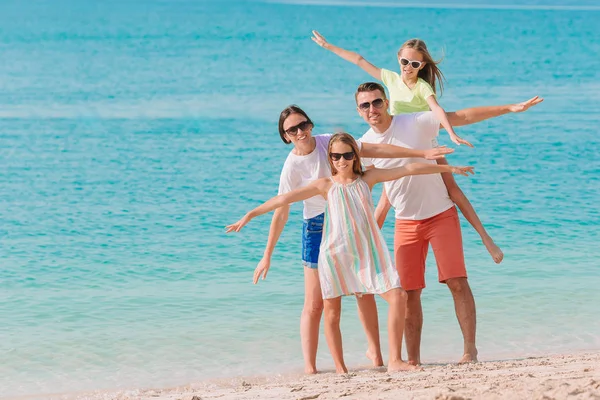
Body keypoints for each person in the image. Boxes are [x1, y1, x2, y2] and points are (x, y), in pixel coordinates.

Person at [227, 132, 474, 373]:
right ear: (330, 158)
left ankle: (395, 360)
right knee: (332, 313)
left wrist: (448, 169)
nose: (341, 161)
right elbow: (283, 200)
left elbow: (409, 169)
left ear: (355, 156)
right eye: (335, 156)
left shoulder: (369, 178)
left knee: (398, 296)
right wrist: (250, 215)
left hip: (368, 254)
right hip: (335, 256)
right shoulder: (324, 185)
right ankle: (340, 368)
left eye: (347, 155)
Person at [311, 31, 542, 263]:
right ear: (398, 59)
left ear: (421, 65)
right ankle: (366, 252)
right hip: (398, 144)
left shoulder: (422, 87)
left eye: (414, 63)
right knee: (386, 198)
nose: (408, 67)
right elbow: (360, 60)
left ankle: (486, 238)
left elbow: (454, 115)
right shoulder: (391, 80)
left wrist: (507, 109)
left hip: (425, 141)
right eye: (404, 61)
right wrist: (329, 46)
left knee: (452, 191)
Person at [353, 81, 522, 365]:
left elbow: (462, 117)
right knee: (408, 294)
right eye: (365, 105)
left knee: (457, 282)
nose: (372, 109)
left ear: (388, 102)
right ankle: (413, 361)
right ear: (358, 110)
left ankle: (470, 351)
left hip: (441, 215)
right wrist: (366, 244)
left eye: (377, 102)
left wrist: (507, 108)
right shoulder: (365, 147)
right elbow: (384, 195)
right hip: (405, 223)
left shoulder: (415, 123)